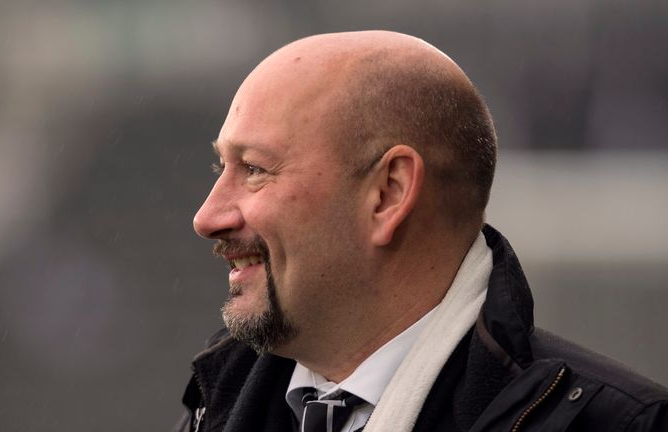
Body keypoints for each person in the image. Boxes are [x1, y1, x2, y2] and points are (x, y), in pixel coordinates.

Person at [176, 31, 668, 432]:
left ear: (389, 193)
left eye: (256, 169)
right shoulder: (214, 403)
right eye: (221, 167)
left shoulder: (622, 424)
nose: (207, 217)